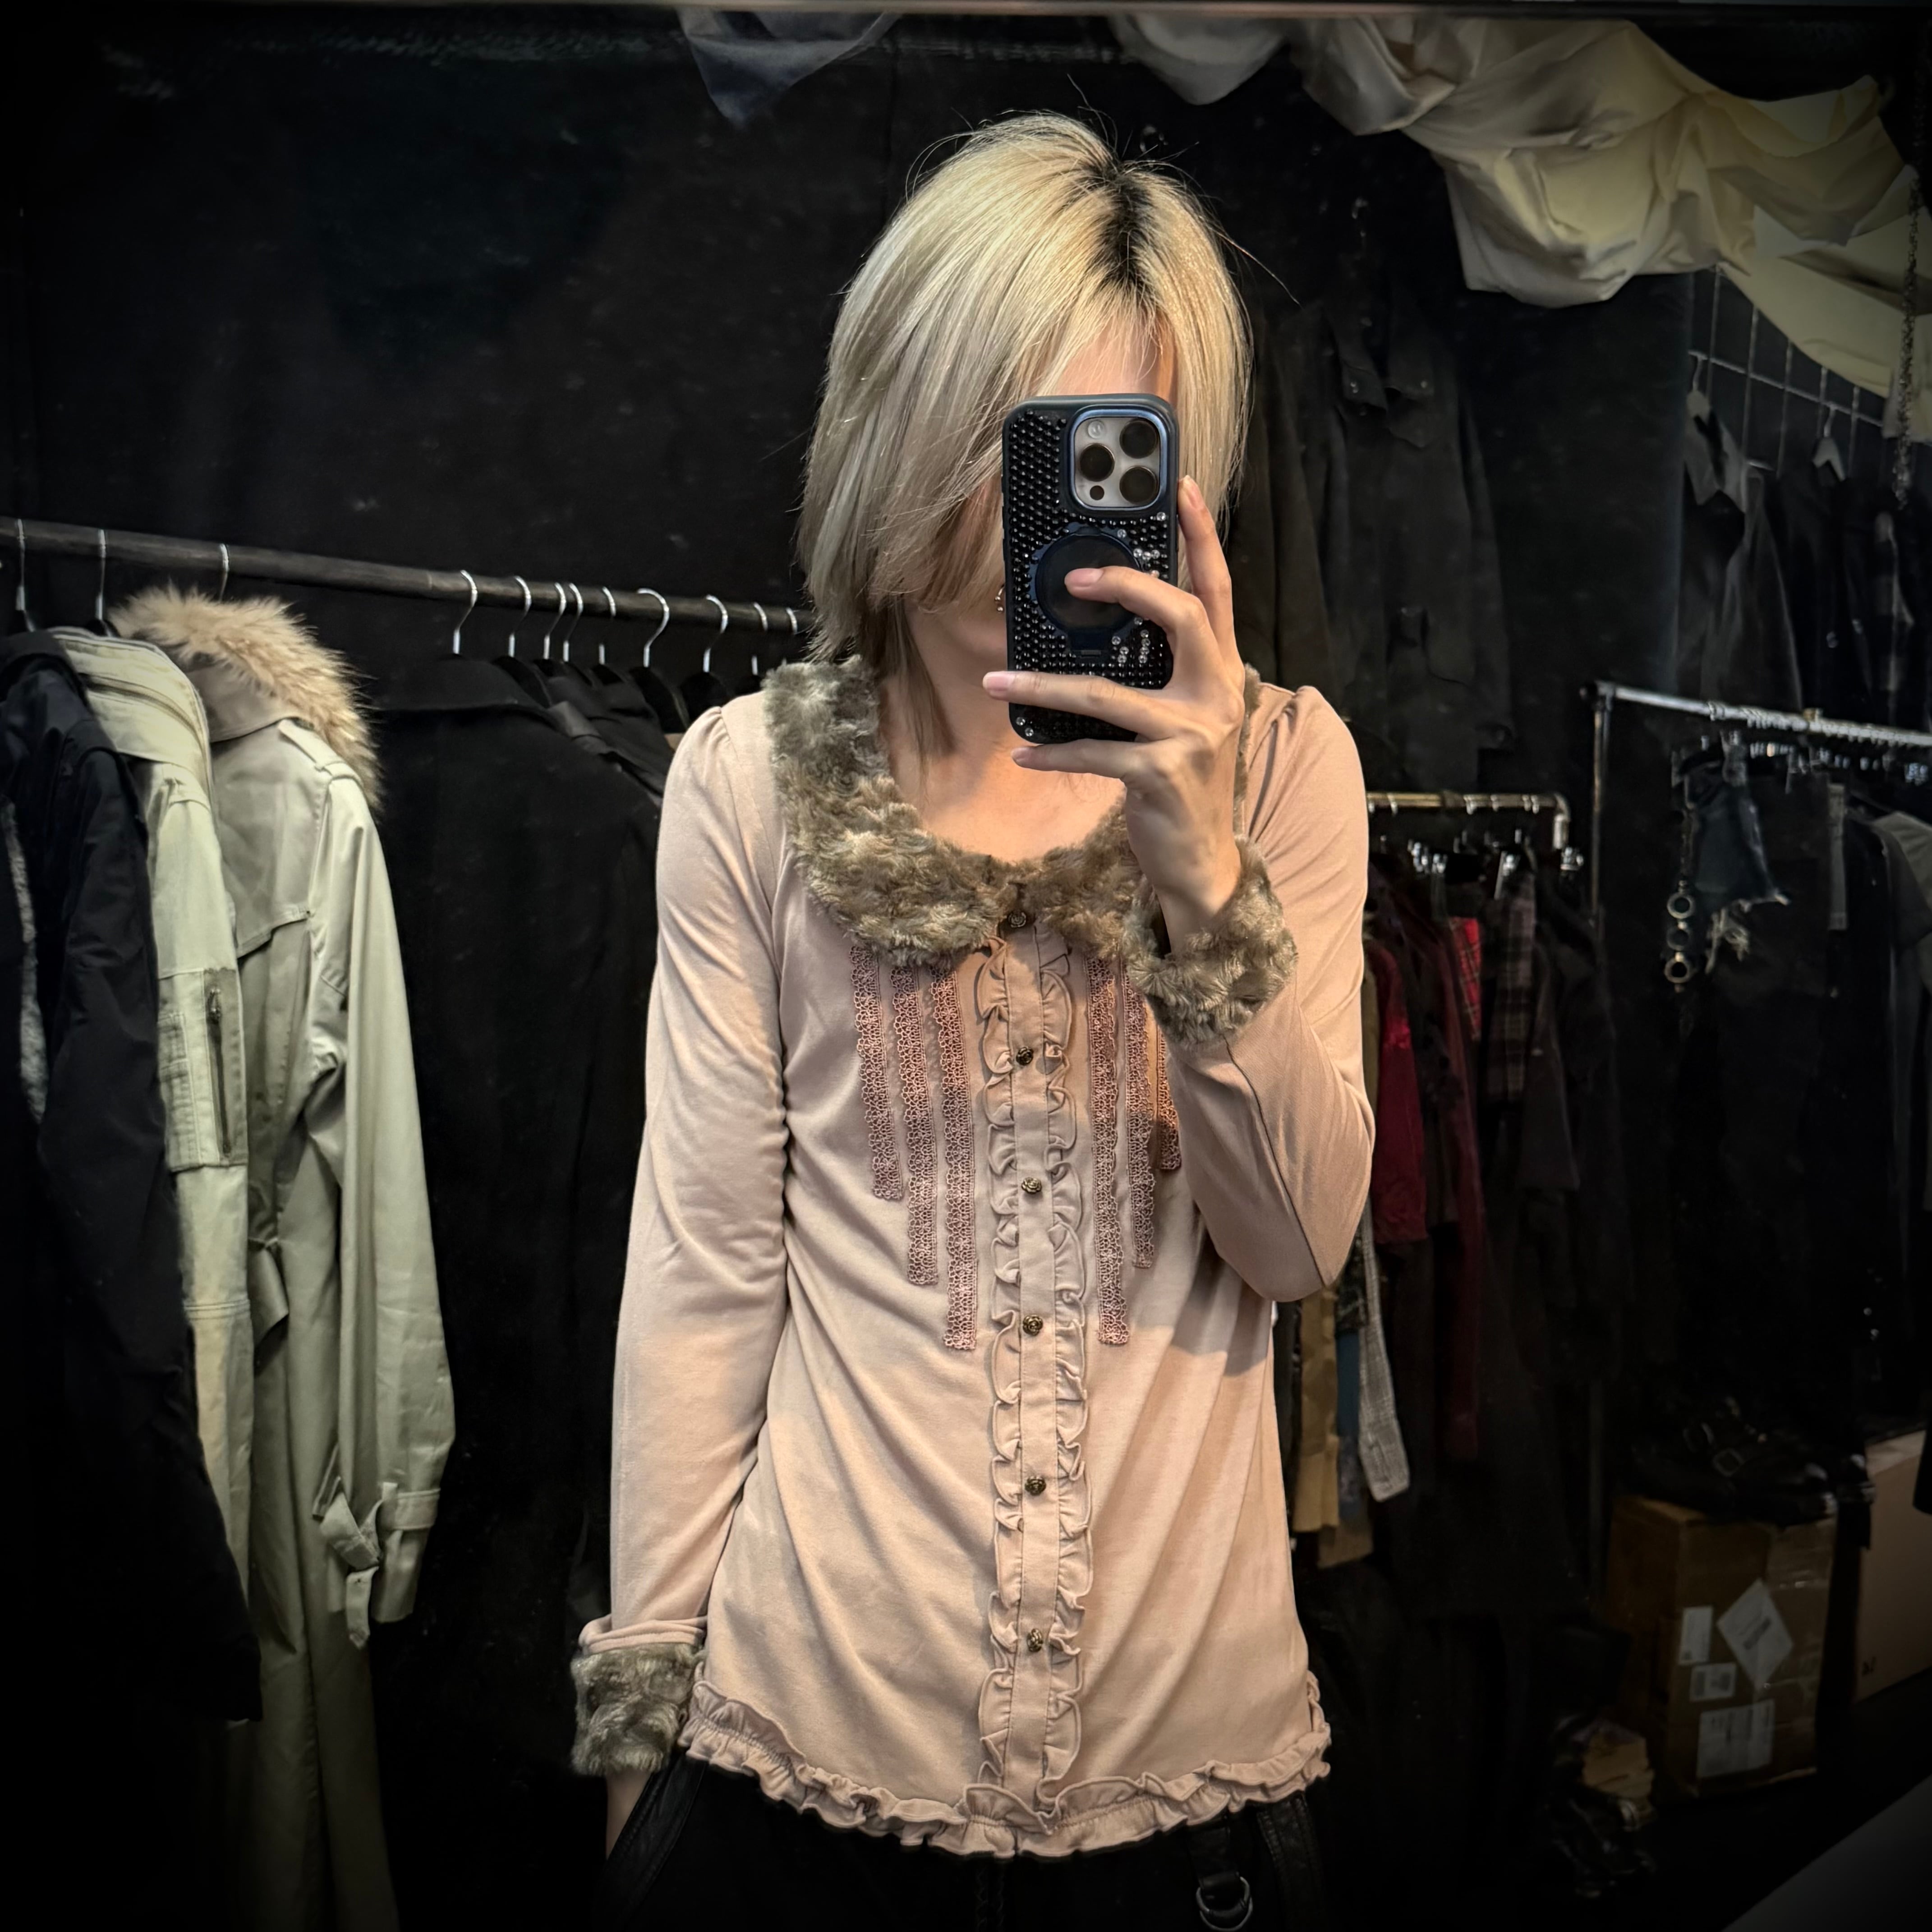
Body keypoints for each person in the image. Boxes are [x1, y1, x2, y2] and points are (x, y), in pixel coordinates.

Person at [572, 112, 1373, 1929]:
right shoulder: (749, 783)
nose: (1050, 516)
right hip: (795, 1766)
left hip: (1188, 1793)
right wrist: (641, 1757)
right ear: (900, 418)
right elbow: (703, 1282)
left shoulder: (1283, 773)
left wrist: (1199, 869)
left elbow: (1296, 1242)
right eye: (1020, 440)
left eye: (1109, 458)